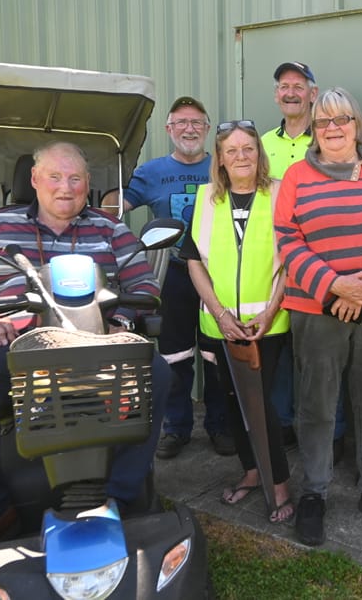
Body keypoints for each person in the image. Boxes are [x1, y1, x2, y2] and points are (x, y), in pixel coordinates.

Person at [0, 141, 172, 545]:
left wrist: (121, 321)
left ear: (88, 183)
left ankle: (122, 496)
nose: (66, 187)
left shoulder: (110, 229)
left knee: (158, 372)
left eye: (75, 178)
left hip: (96, 347)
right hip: (18, 350)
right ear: (34, 180)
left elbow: (145, 287)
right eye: (55, 177)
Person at [275, 87, 362, 546]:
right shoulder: (296, 176)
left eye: (342, 119)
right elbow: (287, 240)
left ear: (358, 125)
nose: (333, 128)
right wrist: (336, 286)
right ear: (313, 130)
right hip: (316, 307)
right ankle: (315, 491)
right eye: (323, 121)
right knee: (316, 403)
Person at [107, 96, 234, 459]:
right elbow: (114, 208)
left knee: (215, 354)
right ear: (168, 129)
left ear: (208, 129)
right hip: (174, 273)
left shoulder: (222, 166)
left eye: (196, 122)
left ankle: (219, 425)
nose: (189, 129)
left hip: (215, 275)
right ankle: (176, 428)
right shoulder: (151, 172)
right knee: (174, 356)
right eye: (181, 123)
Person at [182, 119, 294, 523]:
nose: (241, 156)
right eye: (232, 151)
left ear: (259, 154)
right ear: (221, 159)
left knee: (260, 406)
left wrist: (272, 310)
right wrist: (218, 312)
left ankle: (278, 484)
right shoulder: (207, 197)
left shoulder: (281, 193)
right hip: (220, 326)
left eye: (248, 148)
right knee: (233, 405)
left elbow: (290, 260)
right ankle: (251, 472)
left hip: (267, 325)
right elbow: (193, 260)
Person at [261, 61, 347, 463]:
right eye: (284, 86)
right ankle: (283, 427)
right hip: (276, 266)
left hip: (326, 271)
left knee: (327, 361)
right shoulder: (261, 144)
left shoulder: (332, 137)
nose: (291, 92)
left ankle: (336, 434)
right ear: (277, 94)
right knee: (281, 355)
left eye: (299, 85)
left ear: (314, 94)